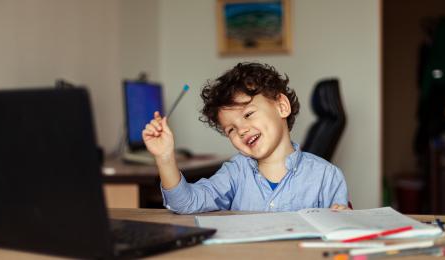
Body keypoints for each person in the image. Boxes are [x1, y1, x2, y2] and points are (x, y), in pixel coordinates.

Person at [142, 62, 349, 214]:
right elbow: (185, 203)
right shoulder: (234, 173)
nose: (241, 130)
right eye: (231, 129)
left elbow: (341, 237)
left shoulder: (327, 176)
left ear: (281, 106)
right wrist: (164, 157)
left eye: (248, 114)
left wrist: (344, 221)